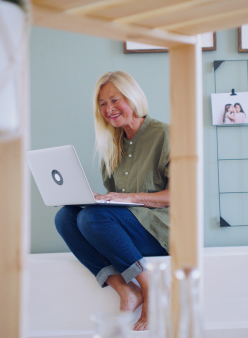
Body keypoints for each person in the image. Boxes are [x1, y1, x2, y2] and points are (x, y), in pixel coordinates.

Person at [54, 71, 170, 331]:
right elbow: (117, 204)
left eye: (115, 100)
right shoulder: (112, 145)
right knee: (66, 216)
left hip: (161, 232)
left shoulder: (164, 134)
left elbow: (180, 196)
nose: (109, 109)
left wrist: (129, 197)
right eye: (102, 104)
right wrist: (99, 200)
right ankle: (127, 290)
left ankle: (153, 289)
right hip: (127, 231)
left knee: (91, 218)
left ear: (132, 97)